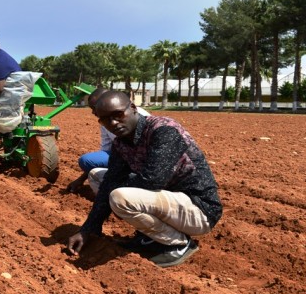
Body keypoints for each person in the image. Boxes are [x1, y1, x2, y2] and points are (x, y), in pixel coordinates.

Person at [66, 91, 222, 268]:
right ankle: (149, 237)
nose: (114, 123)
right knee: (98, 178)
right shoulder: (121, 143)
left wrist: (113, 188)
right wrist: (88, 229)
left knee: (119, 197)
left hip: (198, 210)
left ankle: (177, 243)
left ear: (133, 108)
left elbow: (152, 180)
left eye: (118, 115)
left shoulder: (164, 130)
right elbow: (110, 180)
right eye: (106, 120)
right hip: (170, 204)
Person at [66, 88, 150, 194]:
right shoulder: (105, 122)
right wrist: (81, 179)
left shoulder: (139, 116)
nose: (93, 111)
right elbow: (108, 150)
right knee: (87, 161)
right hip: (123, 155)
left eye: (94, 107)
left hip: (144, 158)